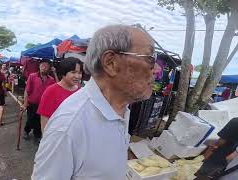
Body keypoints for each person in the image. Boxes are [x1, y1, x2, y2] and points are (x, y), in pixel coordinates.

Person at [31, 25, 156, 179]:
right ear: (111, 63)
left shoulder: (121, 109)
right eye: (150, 58)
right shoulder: (68, 127)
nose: (156, 69)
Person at [37, 57, 83, 132]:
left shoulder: (80, 91)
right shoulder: (51, 91)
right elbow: (45, 120)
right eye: (73, 72)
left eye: (79, 73)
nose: (77, 76)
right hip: (56, 135)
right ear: (63, 72)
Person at [21, 60, 56, 141]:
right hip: (32, 103)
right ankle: (26, 131)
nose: (44, 68)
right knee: (30, 119)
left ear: (49, 68)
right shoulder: (32, 76)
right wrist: (25, 104)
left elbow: (57, 86)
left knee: (39, 121)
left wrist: (55, 73)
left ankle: (37, 135)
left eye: (46, 66)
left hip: (43, 104)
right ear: (39, 66)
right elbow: (27, 90)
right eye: (42, 65)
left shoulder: (51, 79)